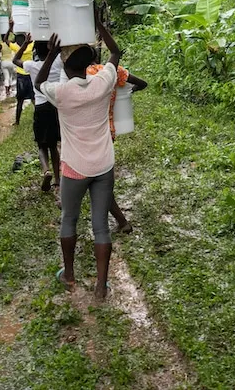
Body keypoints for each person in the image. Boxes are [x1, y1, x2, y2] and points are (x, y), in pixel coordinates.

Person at [36, 21, 122, 301]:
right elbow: (115, 53)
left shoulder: (62, 94)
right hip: (103, 164)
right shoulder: (102, 84)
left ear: (65, 66)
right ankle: (100, 287)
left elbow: (39, 83)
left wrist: (50, 54)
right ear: (88, 65)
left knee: (69, 220)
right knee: (100, 225)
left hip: (74, 167)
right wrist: (97, 24)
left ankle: (69, 275)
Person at [86, 54, 148, 235]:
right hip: (107, 131)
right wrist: (125, 92)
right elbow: (142, 84)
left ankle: (121, 221)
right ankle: (118, 221)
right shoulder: (113, 72)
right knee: (100, 177)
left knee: (96, 180)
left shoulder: (80, 75)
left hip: (87, 134)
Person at [18, 40, 62, 186]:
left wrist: (24, 44)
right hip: (55, 107)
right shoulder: (58, 62)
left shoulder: (31, 65)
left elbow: (15, 60)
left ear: (35, 51)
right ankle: (57, 179)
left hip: (41, 106)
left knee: (42, 145)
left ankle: (46, 170)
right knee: (53, 146)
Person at [12, 31, 36, 125]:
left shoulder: (16, 48)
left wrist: (10, 28)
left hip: (21, 76)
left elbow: (6, 40)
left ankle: (17, 121)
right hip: (30, 74)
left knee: (20, 100)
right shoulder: (30, 46)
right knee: (33, 98)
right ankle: (36, 117)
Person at [0, 31, 19, 101]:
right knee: (10, 76)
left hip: (4, 62)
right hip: (11, 61)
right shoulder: (11, 43)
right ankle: (9, 90)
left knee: (6, 77)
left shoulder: (0, 45)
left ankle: (7, 91)